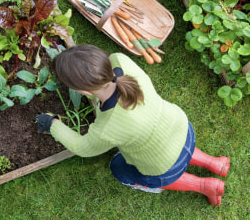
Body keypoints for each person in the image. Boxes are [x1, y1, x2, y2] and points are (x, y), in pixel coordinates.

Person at [36, 44, 230, 206]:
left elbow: (82, 147)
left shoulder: (108, 127)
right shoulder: (121, 61)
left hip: (163, 164)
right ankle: (215, 163)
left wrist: (52, 123)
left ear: (84, 91)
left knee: (119, 168)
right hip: (181, 128)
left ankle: (204, 186)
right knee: (173, 145)